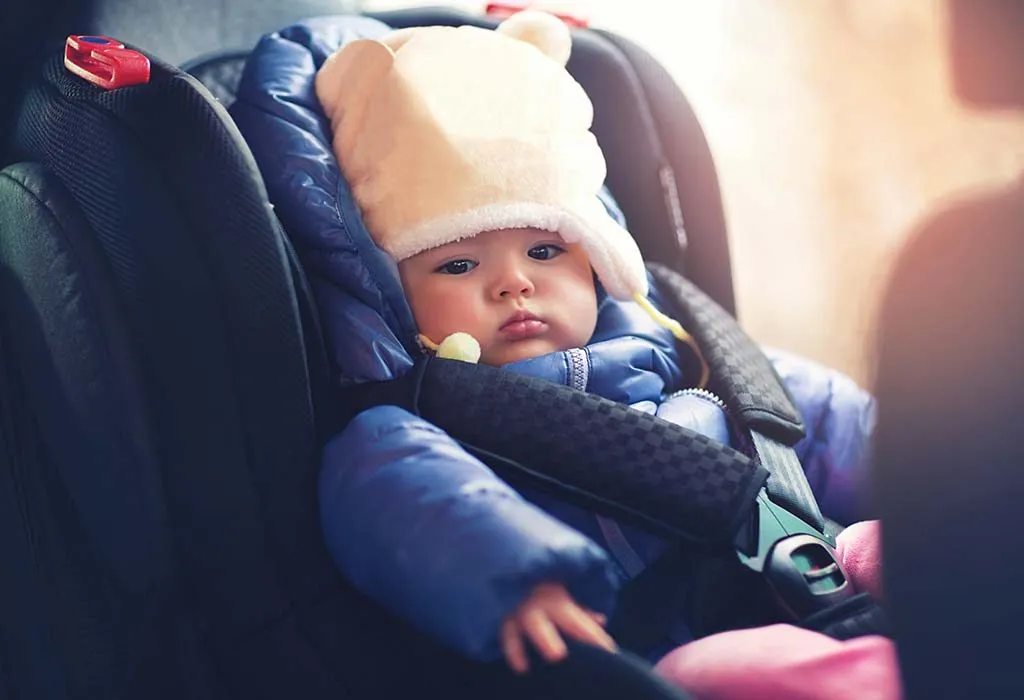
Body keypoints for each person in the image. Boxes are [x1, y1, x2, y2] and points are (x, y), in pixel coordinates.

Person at [312, 10, 896, 699]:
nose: (513, 283)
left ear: (596, 262)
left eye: (544, 250)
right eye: (458, 264)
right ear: (395, 295)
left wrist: (940, 474)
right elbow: (407, 497)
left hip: (821, 595)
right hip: (651, 655)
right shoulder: (414, 425)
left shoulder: (696, 361)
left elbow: (836, 423)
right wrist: (520, 574)